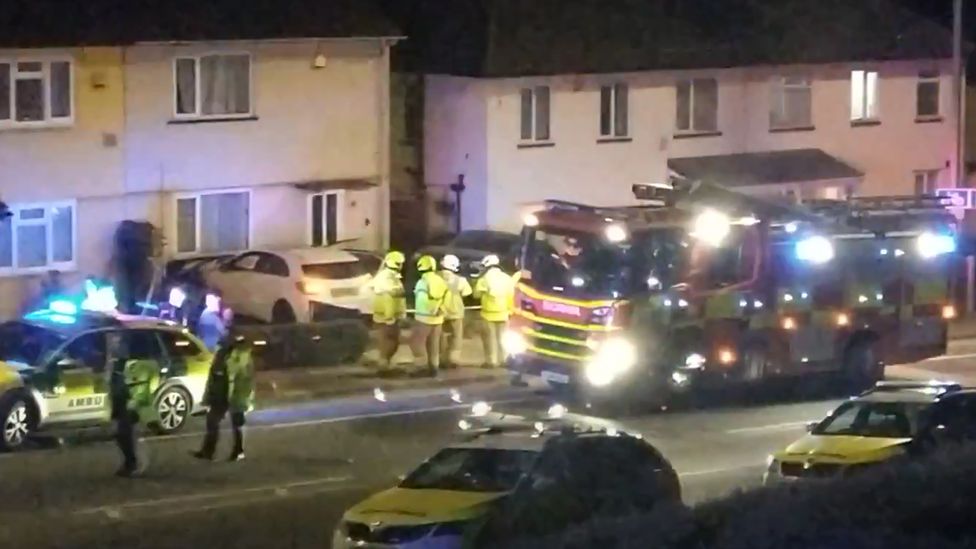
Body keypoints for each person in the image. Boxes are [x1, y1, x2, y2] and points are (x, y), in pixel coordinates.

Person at [193, 330, 256, 462]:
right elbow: (214, 375)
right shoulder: (222, 354)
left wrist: (245, 397)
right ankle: (208, 450)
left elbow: (245, 378)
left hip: (237, 393)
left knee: (237, 422)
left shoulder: (242, 356)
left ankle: (239, 451)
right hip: (221, 393)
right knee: (212, 421)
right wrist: (209, 395)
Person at [107, 333, 159, 477]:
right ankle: (131, 462)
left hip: (133, 403)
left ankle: (134, 463)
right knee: (121, 435)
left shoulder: (143, 364)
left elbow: (148, 386)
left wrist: (134, 401)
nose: (118, 345)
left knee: (126, 434)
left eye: (121, 342)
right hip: (121, 401)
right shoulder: (120, 363)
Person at [473, 255, 514, 369]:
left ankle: (491, 361)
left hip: (488, 313)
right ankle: (505, 360)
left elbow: (476, 294)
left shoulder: (484, 278)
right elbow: (511, 295)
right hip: (504, 313)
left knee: (489, 339)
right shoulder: (507, 278)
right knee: (503, 338)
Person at [370, 251, 408, 373]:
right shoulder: (387, 278)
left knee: (391, 341)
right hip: (387, 317)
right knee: (388, 341)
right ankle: (383, 365)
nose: (402, 266)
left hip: (390, 316)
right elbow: (388, 299)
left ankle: (385, 364)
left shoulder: (392, 276)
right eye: (400, 263)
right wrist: (389, 317)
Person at [411, 255, 448, 377]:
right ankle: (434, 366)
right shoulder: (441, 281)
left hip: (424, 318)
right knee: (434, 343)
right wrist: (439, 310)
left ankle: (421, 367)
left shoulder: (422, 282)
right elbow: (446, 298)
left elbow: (421, 302)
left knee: (417, 343)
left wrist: (427, 312)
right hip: (438, 318)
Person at [439, 255, 473, 368]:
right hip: (456, 312)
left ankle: (440, 358)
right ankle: (453, 359)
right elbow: (467, 293)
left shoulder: (435, 277)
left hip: (439, 311)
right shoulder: (461, 280)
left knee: (441, 336)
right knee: (456, 337)